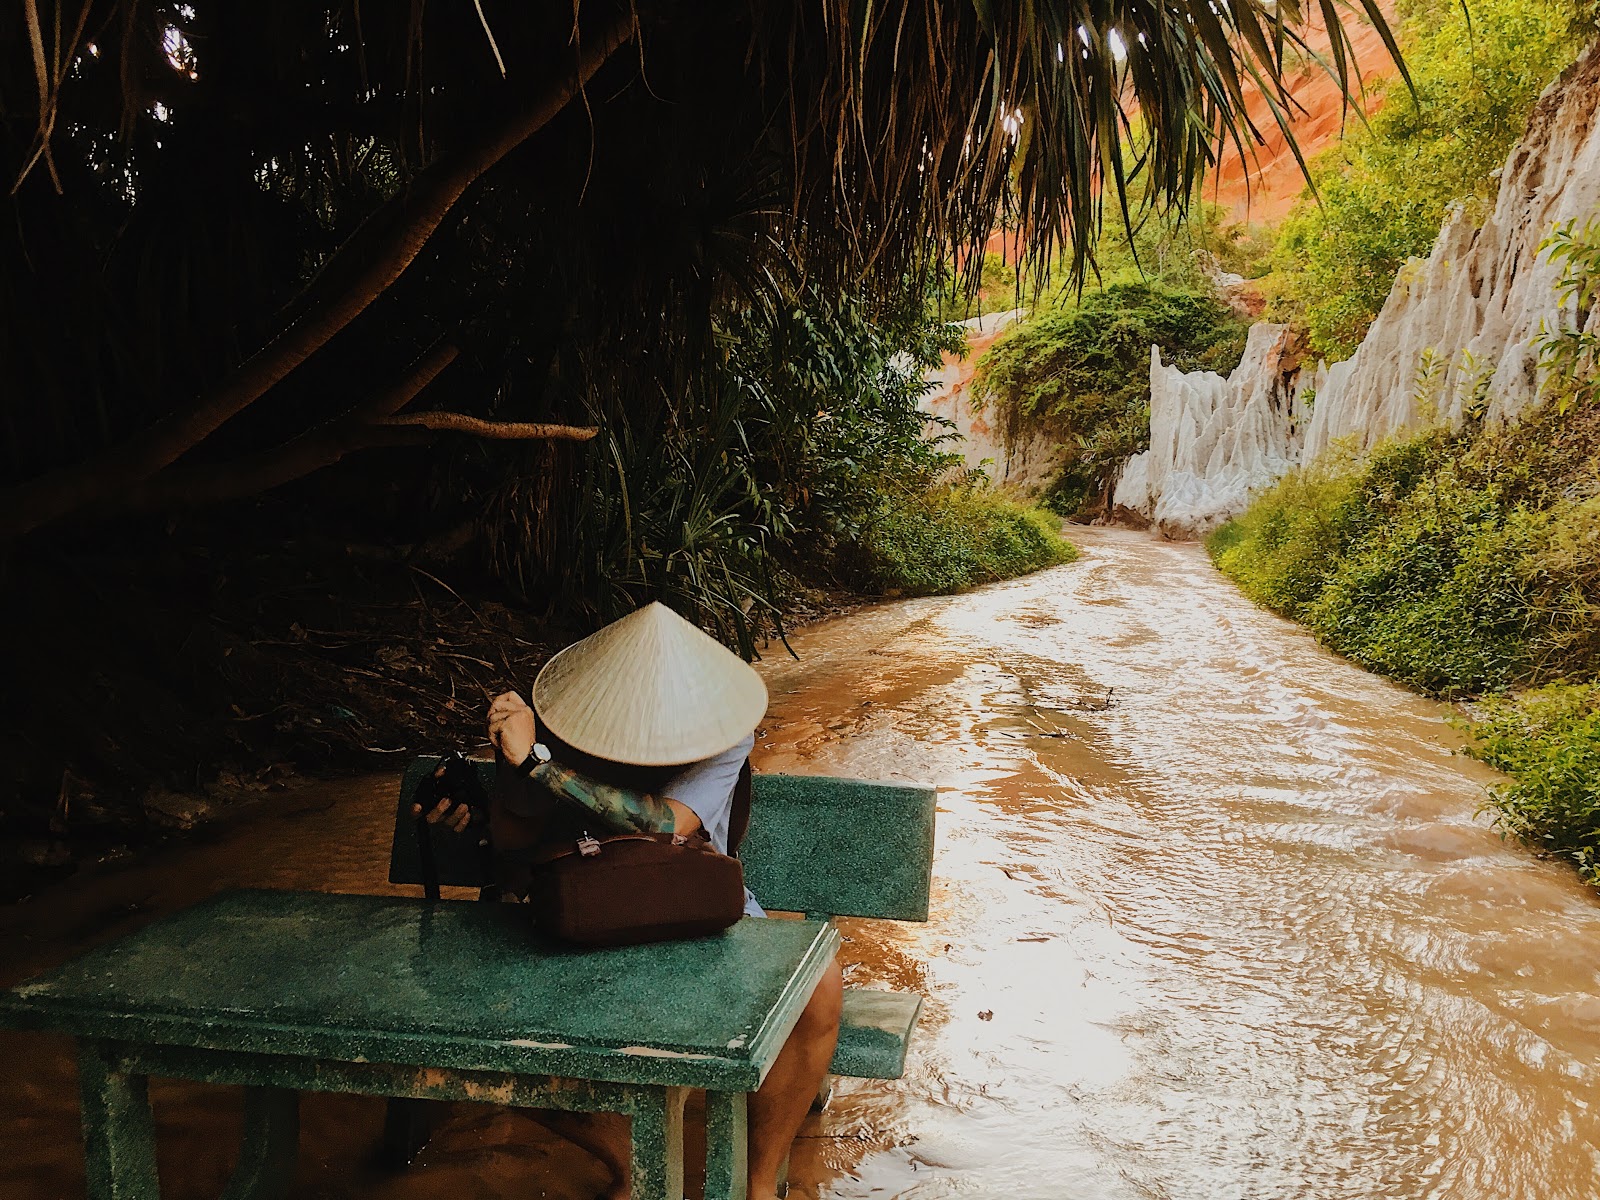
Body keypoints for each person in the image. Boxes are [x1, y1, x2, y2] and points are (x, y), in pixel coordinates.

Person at [416, 601, 842, 1200]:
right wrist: (500, 770)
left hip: (697, 909)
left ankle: (757, 1183)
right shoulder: (557, 726)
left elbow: (668, 823)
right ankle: (637, 1168)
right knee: (484, 1025)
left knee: (820, 984)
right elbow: (513, 842)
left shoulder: (722, 737)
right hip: (583, 917)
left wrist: (540, 765)